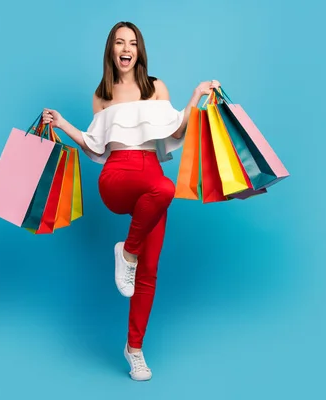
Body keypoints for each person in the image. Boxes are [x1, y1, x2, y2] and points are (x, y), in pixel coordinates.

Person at [42, 21, 220, 381]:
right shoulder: (102, 94)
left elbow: (176, 130)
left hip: (151, 176)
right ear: (111, 50)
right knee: (166, 190)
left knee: (149, 270)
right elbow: (95, 144)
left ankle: (134, 349)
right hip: (118, 176)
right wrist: (63, 125)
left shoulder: (156, 88)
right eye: (119, 42)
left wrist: (196, 96)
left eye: (133, 43)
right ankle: (126, 253)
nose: (126, 48)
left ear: (139, 51)